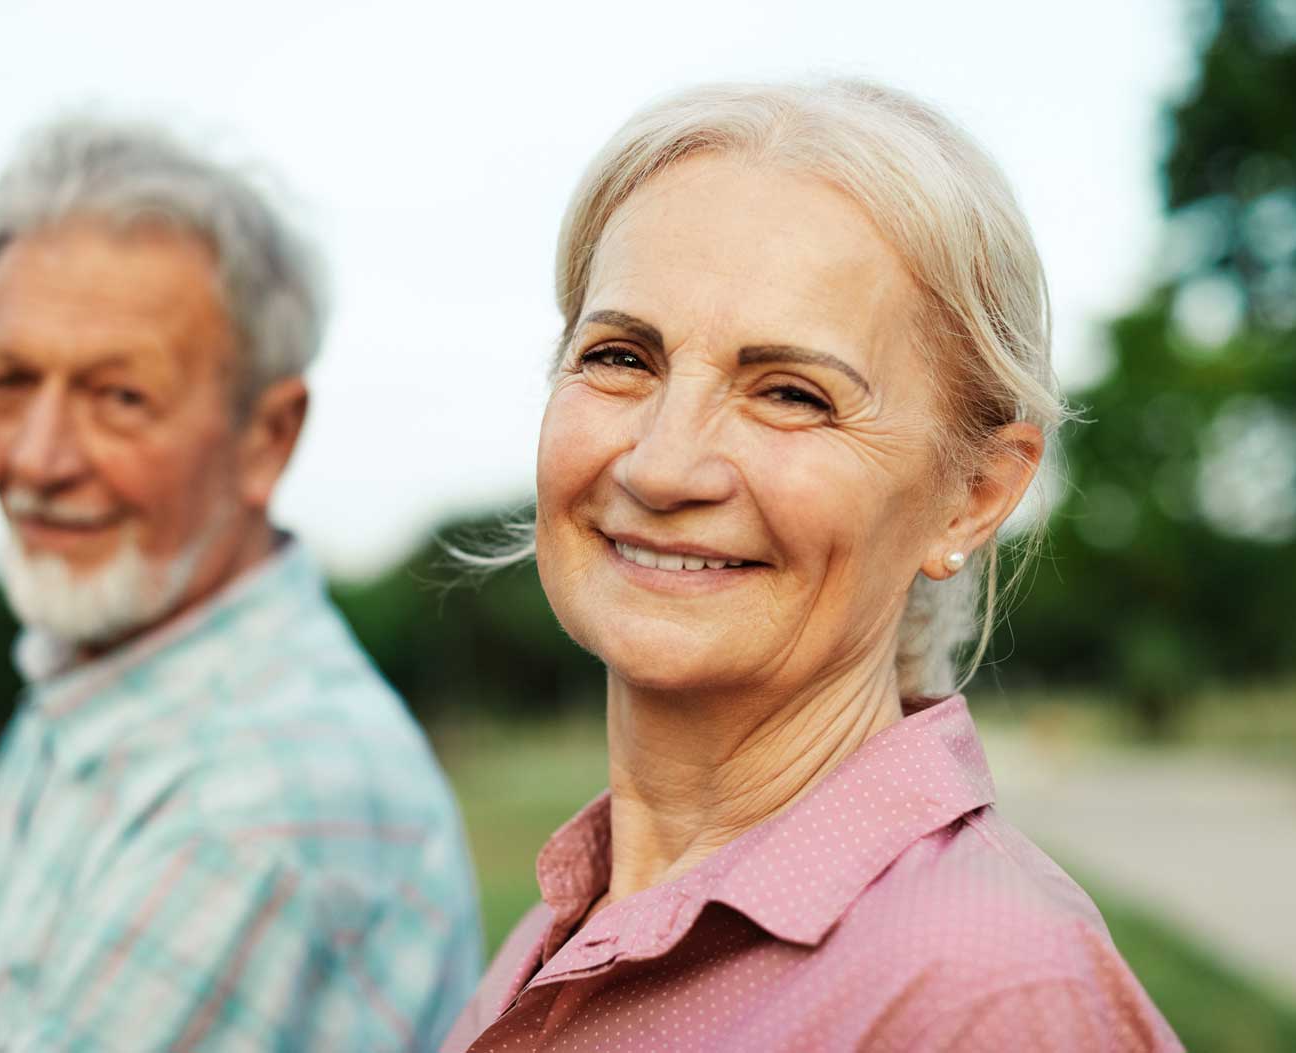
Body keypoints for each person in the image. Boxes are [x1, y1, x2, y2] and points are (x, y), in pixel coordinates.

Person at [445, 80, 1182, 1051]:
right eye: (622, 357)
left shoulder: (989, 997)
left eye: (790, 393)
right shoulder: (578, 919)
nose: (663, 464)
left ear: (975, 493)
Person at [0, 117, 481, 1053]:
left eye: (118, 397)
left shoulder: (253, 805)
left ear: (267, 438)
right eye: (9, 381)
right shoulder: (92, 678)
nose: (36, 459)